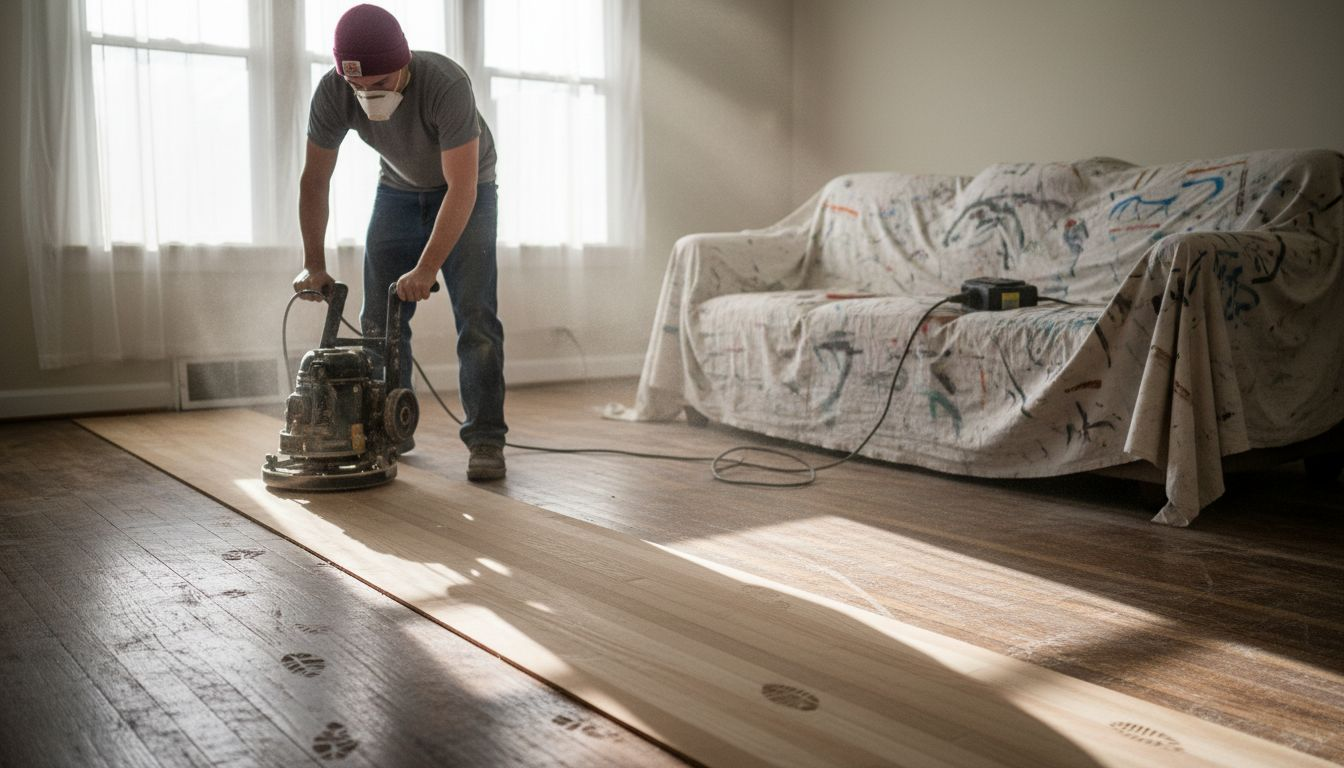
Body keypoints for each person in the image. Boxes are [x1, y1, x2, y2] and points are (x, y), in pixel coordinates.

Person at [292, 3, 507, 481]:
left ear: (403, 62)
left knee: (475, 317)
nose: (368, 96)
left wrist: (427, 267)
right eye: (358, 87)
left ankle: (486, 439)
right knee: (378, 322)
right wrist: (313, 264)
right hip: (396, 189)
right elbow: (314, 181)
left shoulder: (444, 84)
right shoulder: (333, 92)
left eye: (380, 84)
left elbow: (463, 188)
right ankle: (390, 427)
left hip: (468, 191)